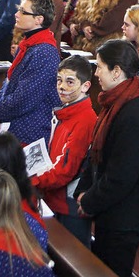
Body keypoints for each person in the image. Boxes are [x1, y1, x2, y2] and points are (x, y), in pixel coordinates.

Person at [74, 39, 139, 277]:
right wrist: (85, 189)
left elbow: (122, 176)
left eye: (100, 66)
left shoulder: (133, 113)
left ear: (117, 71)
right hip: (111, 209)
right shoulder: (115, 101)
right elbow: (96, 154)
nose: (96, 72)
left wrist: (89, 200)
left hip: (125, 215)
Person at [32, 55, 96, 247]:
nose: (62, 87)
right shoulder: (67, 112)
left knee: (73, 255)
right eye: (59, 81)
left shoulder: (84, 119)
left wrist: (31, 180)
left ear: (85, 86)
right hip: (55, 197)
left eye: (70, 82)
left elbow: (65, 170)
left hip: (69, 205)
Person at [0, 0, 61, 146]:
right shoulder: (30, 44)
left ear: (39, 19)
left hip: (30, 132)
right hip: (17, 125)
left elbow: (25, 99)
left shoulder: (44, 51)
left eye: (23, 11)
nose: (16, 14)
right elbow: (9, 82)